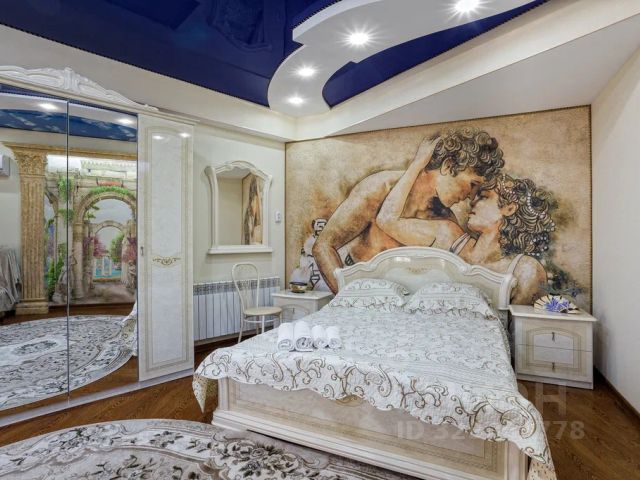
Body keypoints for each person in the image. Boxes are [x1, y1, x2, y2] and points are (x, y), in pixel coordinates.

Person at [313, 127, 505, 292]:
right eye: (472, 184)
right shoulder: (379, 188)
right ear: (447, 166)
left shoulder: (445, 219)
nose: (471, 196)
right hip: (357, 291)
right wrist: (348, 298)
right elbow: (323, 246)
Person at [377, 147, 555, 304]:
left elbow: (521, 325)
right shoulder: (447, 234)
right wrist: (417, 164)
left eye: (483, 196)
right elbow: (386, 220)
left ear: (509, 208)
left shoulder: (525, 269)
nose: (472, 202)